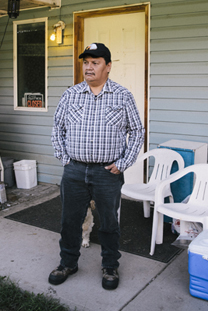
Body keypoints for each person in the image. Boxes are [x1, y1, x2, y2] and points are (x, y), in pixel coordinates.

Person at [49, 42, 145, 290]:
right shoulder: (70, 95)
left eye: (95, 62)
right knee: (70, 221)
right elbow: (57, 129)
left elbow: (136, 132)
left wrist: (123, 162)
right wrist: (64, 157)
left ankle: (110, 266)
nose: (88, 68)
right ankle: (68, 263)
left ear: (108, 66)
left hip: (107, 173)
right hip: (75, 171)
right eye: (86, 62)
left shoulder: (122, 96)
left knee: (109, 222)